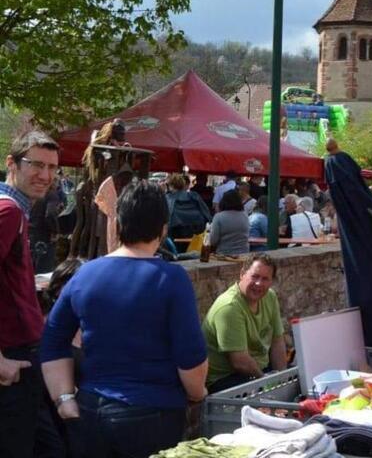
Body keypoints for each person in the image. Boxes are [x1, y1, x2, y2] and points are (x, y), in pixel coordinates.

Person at [40, 180, 208, 458]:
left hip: (91, 411)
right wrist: (198, 393)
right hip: (153, 415)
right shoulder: (171, 279)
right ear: (163, 228)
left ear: (119, 223)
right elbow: (190, 356)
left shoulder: (85, 274)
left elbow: (52, 341)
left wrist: (64, 400)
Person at [1, 131, 66, 458]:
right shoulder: (9, 210)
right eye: (36, 165)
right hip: (12, 359)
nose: (46, 175)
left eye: (52, 167)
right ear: (11, 163)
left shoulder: (16, 210)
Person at [202, 254, 287, 394]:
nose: (259, 283)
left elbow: (277, 341)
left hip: (258, 371)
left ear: (272, 281)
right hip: (225, 379)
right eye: (255, 276)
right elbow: (239, 362)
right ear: (242, 274)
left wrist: (282, 379)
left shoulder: (270, 297)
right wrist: (267, 383)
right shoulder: (229, 307)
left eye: (265, 279)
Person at [165, 173, 211, 241]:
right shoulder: (194, 195)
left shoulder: (168, 198)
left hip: (174, 231)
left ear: (171, 185)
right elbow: (205, 212)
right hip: (195, 230)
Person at [209, 189, 250, 257]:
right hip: (244, 254)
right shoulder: (245, 215)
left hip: (224, 255)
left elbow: (213, 241)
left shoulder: (219, 217)